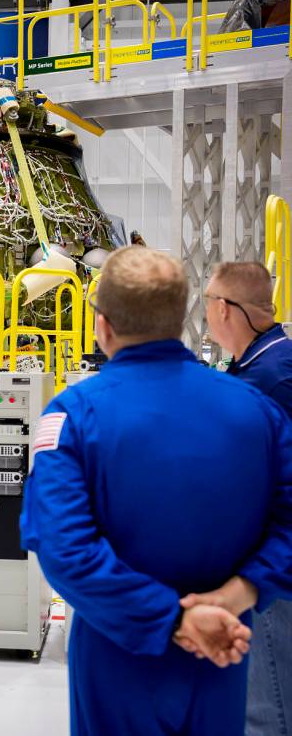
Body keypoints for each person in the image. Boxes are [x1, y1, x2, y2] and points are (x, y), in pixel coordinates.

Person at [20, 246, 292, 736]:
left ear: (103, 325)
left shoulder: (73, 416)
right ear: (180, 316)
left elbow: (65, 549)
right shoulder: (258, 412)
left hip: (118, 654)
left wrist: (171, 620)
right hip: (223, 650)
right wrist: (236, 595)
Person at [187, 261, 292, 736]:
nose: (207, 311)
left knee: (267, 703)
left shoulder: (269, 380)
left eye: (209, 301)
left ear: (226, 310)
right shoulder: (262, 362)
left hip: (270, 562)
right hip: (268, 555)